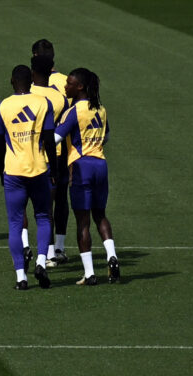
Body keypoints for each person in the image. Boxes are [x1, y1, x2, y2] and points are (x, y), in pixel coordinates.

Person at [0, 64, 57, 290]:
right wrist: (55, 170)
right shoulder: (43, 103)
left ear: (12, 81)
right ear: (31, 81)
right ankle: (41, 262)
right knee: (43, 217)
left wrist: (1, 171)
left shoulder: (1, 107)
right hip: (39, 169)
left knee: (15, 223)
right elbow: (49, 140)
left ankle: (21, 276)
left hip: (13, 171)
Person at [56, 67, 118, 284]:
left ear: (79, 87)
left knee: (82, 221)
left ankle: (90, 273)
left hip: (81, 166)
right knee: (100, 214)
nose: (66, 86)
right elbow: (107, 136)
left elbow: (55, 138)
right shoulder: (100, 108)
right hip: (100, 164)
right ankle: (112, 256)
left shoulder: (73, 112)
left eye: (69, 83)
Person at [28, 43, 69, 264]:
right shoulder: (64, 84)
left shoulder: (29, 89)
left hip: (37, 153)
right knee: (61, 199)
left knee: (41, 206)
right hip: (64, 151)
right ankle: (60, 247)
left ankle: (46, 252)